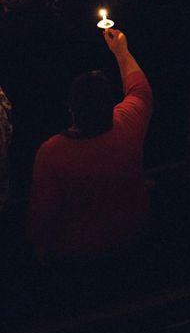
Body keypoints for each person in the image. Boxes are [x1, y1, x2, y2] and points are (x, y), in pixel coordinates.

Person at [29, 27, 153, 261]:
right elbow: (140, 90)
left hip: (79, 253)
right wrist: (121, 51)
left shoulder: (52, 154)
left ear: (71, 110)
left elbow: (43, 216)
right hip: (134, 237)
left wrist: (40, 253)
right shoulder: (128, 124)